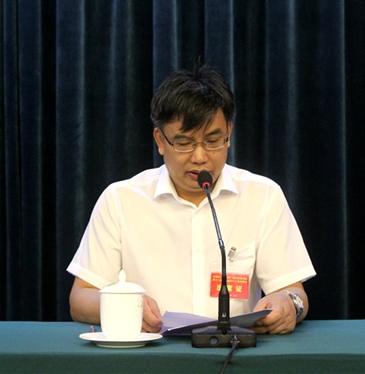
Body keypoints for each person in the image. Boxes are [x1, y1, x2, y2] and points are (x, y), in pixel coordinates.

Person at [67, 63, 316, 335]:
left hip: (233, 351)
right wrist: (125, 306)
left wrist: (289, 304)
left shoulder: (262, 196)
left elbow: (293, 292)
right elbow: (81, 299)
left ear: (228, 134)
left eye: (212, 141)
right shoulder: (120, 200)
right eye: (184, 143)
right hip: (150, 351)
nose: (200, 157)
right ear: (160, 140)